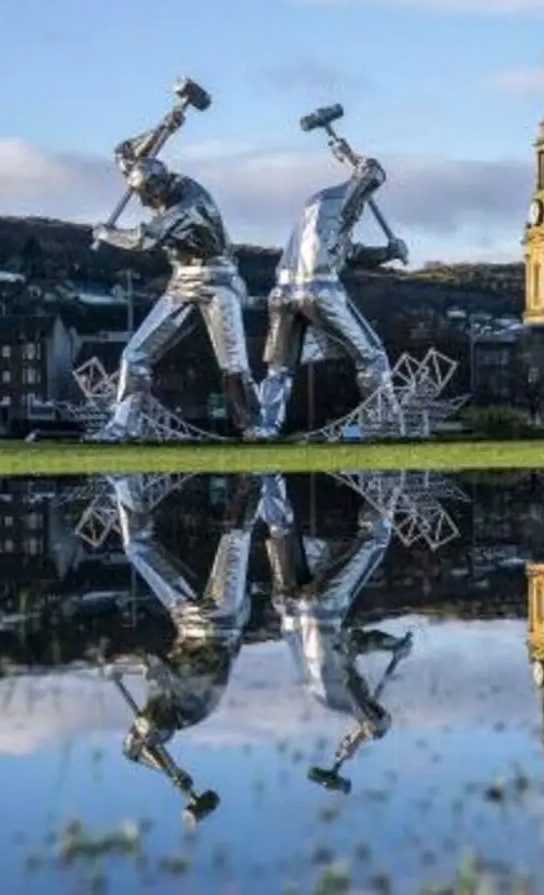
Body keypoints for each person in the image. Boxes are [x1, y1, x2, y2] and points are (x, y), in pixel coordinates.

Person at [106, 473, 260, 823]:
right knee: (235, 534)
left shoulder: (160, 712)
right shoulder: (190, 705)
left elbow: (130, 753)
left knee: (137, 548)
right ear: (163, 725)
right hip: (222, 620)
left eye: (141, 717)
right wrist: (118, 668)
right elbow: (151, 662)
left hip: (185, 615)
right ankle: (262, 469)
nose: (147, 709)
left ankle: (123, 480)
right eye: (149, 717)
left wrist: (158, 762)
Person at [90, 144, 260, 441]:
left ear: (158, 187)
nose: (143, 204)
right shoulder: (159, 183)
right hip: (181, 281)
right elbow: (123, 154)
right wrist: (168, 121)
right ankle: (122, 427)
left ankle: (254, 426)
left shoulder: (189, 207)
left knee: (233, 363)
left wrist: (108, 234)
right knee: (135, 355)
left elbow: (146, 239)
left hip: (216, 280)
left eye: (147, 197)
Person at [258, 474, 412, 792]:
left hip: (322, 609)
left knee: (376, 538)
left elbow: (368, 717)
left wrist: (395, 646)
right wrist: (391, 644)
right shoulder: (323, 694)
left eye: (379, 710)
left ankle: (387, 472)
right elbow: (357, 642)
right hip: (287, 608)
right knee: (281, 529)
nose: (379, 705)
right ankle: (263, 462)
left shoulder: (348, 694)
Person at [254, 143, 409, 438]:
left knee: (279, 366)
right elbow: (370, 174)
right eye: (367, 192)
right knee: (372, 355)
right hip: (320, 289)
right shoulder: (344, 199)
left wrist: (387, 252)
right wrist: (357, 165)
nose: (367, 199)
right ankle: (385, 426)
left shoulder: (316, 210)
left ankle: (265, 427)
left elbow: (347, 251)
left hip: (282, 292)